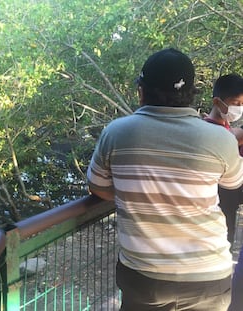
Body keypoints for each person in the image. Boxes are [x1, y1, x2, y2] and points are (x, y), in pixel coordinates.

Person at [87, 48, 243, 311]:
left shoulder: (115, 133)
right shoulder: (221, 139)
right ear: (192, 92)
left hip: (145, 278)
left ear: (141, 91)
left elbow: (97, 187)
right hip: (209, 276)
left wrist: (137, 193)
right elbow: (232, 182)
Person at [204, 73, 243, 246]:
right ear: (217, 102)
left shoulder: (225, 129)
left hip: (229, 204)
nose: (239, 108)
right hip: (216, 205)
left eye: (242, 104)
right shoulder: (207, 132)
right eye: (235, 103)